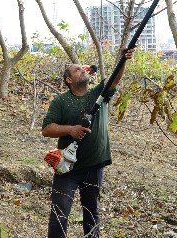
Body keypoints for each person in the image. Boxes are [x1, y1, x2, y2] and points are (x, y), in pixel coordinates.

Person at [42, 46, 136, 238]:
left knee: (92, 213)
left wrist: (123, 59)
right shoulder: (61, 102)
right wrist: (71, 130)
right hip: (67, 168)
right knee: (59, 213)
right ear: (69, 80)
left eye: (82, 68)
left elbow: (114, 80)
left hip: (94, 166)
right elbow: (46, 129)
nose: (83, 70)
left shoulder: (98, 95)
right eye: (77, 70)